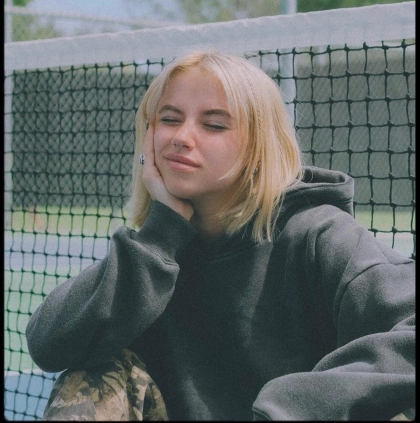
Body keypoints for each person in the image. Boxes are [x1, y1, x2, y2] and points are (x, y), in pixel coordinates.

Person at [26, 50, 415, 421]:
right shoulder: (148, 255)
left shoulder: (319, 234)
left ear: (258, 148)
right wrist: (160, 234)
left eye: (213, 125)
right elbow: (49, 344)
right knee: (91, 377)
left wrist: (294, 406)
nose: (182, 137)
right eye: (169, 119)